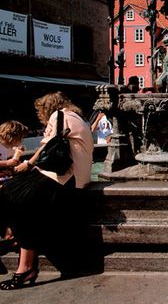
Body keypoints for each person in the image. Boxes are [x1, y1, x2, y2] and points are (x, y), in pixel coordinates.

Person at [1, 92, 95, 289]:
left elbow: (47, 146)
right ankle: (18, 247)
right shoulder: (76, 117)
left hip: (64, 177)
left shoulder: (59, 115)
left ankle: (20, 254)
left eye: (40, 111)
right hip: (76, 177)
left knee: (11, 192)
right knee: (19, 197)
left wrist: (28, 165)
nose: (40, 115)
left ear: (47, 107)